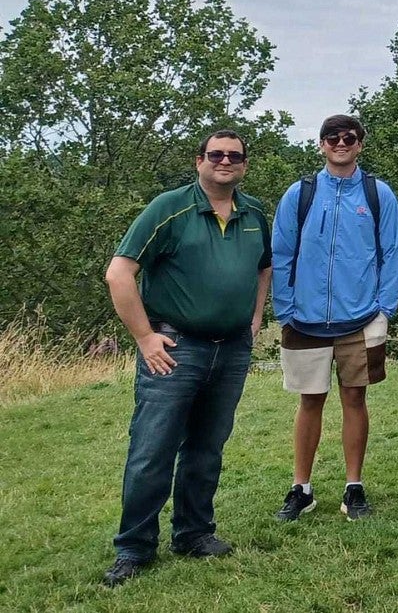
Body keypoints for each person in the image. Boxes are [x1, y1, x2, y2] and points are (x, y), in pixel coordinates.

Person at [101, 130, 271, 588]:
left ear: (244, 165)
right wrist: (144, 338)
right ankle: (134, 549)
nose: (225, 161)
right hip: (175, 350)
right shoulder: (169, 208)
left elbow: (263, 266)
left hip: (231, 349)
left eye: (234, 156)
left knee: (206, 449)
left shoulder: (254, 212)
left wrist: (255, 317)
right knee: (151, 452)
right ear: (199, 161)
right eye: (216, 154)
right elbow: (119, 272)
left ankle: (194, 533)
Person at [272, 115, 398, 522]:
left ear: (360, 144)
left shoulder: (378, 193)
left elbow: (393, 252)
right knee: (309, 401)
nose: (341, 143)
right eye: (333, 138)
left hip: (361, 317)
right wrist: (285, 308)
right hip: (305, 318)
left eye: (349, 138)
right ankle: (302, 488)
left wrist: (384, 309)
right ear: (321, 144)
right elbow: (281, 253)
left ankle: (353, 487)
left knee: (354, 398)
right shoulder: (301, 193)